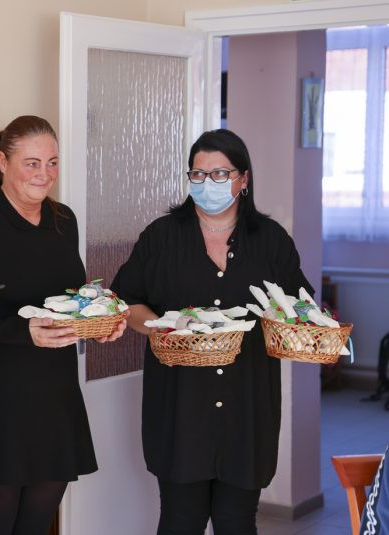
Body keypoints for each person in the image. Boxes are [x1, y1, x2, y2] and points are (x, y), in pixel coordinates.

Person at [111, 129, 312, 534]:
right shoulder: (161, 237)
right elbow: (126, 300)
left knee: (237, 521)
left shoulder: (271, 240)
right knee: (180, 520)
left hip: (247, 405)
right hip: (180, 404)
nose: (208, 184)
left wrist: (298, 326)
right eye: (198, 174)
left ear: (244, 178)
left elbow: (299, 307)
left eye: (220, 174)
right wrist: (158, 330)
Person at [0, 115, 126, 535]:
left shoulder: (63, 220)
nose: (45, 174)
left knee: (38, 523)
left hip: (54, 391)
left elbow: (72, 300)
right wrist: (22, 332)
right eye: (32, 163)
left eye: (52, 163)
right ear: (3, 162)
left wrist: (99, 324)